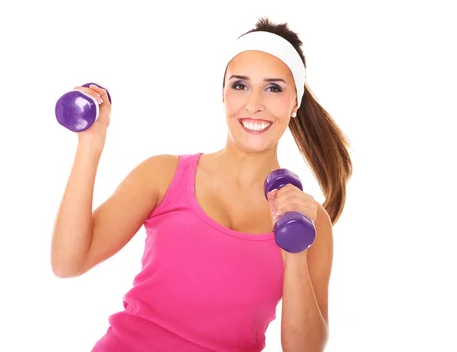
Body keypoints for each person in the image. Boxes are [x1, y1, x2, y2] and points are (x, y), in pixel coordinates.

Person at [51, 17, 353, 352]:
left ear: (294, 102)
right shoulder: (163, 175)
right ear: (223, 95)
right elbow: (67, 263)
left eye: (273, 88)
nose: (254, 104)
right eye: (240, 85)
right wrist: (90, 144)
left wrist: (294, 253)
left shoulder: (310, 221)